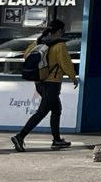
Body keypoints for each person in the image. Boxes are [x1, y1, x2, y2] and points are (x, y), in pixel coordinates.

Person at [11, 17, 77, 152]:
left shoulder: (39, 41)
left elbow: (26, 55)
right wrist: (73, 77)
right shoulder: (59, 46)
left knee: (56, 109)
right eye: (63, 31)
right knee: (42, 112)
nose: (63, 33)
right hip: (52, 83)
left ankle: (57, 140)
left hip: (40, 82)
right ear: (58, 31)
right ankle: (20, 136)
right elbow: (66, 63)